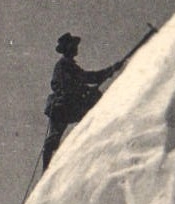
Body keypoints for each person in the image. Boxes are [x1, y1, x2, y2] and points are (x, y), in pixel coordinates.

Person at [42, 32, 124, 170]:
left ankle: (46, 168)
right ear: (68, 48)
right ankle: (46, 168)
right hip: (64, 106)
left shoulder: (67, 65)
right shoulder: (65, 65)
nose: (76, 48)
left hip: (64, 106)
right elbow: (83, 79)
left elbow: (85, 78)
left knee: (54, 139)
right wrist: (107, 72)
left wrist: (107, 72)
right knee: (54, 140)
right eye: (74, 46)